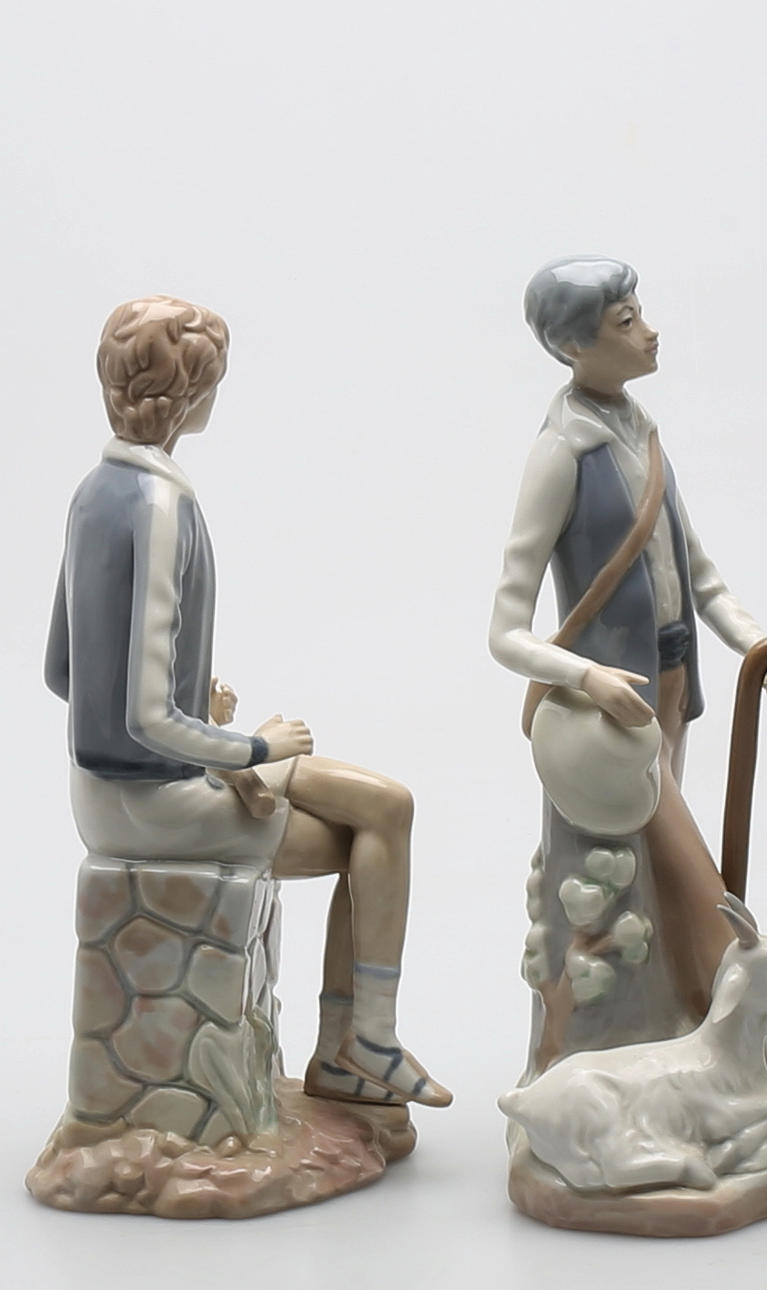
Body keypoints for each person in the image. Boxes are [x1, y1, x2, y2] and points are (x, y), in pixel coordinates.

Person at [46, 295, 450, 1109]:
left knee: (388, 804)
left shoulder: (95, 492)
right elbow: (145, 719)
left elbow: (64, 671)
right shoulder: (162, 506)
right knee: (362, 835)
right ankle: (357, 1044)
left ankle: (362, 1045)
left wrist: (193, 700)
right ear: (190, 395)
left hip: (128, 782)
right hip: (151, 803)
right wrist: (256, 748)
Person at [490, 256, 767, 1138]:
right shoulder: (561, 453)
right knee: (694, 881)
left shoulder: (641, 432)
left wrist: (753, 639)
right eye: (626, 322)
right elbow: (506, 630)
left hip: (671, 690)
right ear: (574, 345)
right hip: (613, 721)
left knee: (663, 892)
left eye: (641, 314)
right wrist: (590, 679)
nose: (649, 332)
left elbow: (699, 574)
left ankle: (688, 1057)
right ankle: (757, 1072)